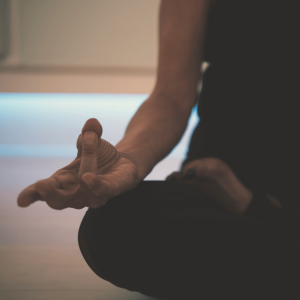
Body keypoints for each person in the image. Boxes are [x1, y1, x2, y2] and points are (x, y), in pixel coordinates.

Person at [17, 0, 300, 299]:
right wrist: (129, 157)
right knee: (114, 228)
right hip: (216, 177)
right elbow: (170, 97)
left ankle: (262, 219)